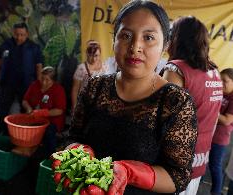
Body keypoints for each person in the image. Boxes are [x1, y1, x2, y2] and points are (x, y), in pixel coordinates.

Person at [60, 1, 198, 194]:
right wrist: (76, 150)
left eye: (148, 37)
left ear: (165, 46)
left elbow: (178, 178)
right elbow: (73, 136)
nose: (135, 47)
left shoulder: (175, 102)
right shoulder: (95, 87)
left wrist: (130, 172)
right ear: (114, 39)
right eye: (126, 35)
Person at [162, 16, 223, 195]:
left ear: (177, 38)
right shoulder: (213, 70)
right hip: (199, 160)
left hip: (171, 164)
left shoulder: (176, 69)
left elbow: (162, 119)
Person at [0, 22, 43, 133]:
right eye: (16, 34)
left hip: (26, 84)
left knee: (25, 109)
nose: (19, 37)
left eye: (22, 35)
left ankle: (24, 132)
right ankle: (0, 131)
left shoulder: (34, 47)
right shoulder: (6, 44)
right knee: (3, 108)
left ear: (27, 34)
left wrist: (39, 83)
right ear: (13, 33)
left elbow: (39, 65)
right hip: (7, 82)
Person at [209, 68, 233, 195]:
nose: (221, 84)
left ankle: (216, 192)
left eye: (226, 81)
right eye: (220, 80)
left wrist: (211, 108)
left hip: (219, 138)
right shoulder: (219, 92)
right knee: (202, 162)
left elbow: (227, 120)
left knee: (215, 166)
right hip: (209, 134)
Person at [71, 40, 107, 110]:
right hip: (85, 104)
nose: (93, 59)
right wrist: (74, 106)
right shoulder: (81, 68)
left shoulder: (105, 67)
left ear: (100, 54)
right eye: (91, 55)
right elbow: (75, 89)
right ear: (87, 53)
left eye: (96, 55)